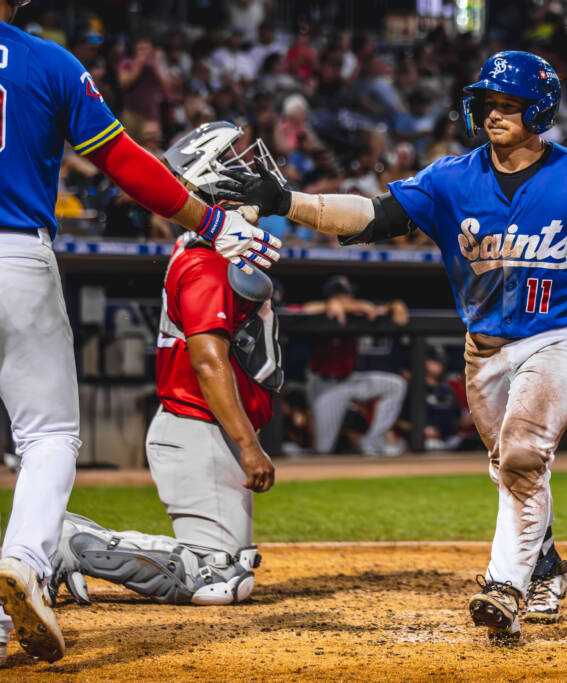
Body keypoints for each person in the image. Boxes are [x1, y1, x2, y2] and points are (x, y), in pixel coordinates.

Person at [217, 50, 567, 643]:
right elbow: (373, 215)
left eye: (508, 105)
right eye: (488, 103)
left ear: (540, 110)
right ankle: (546, 565)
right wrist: (288, 202)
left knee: (523, 455)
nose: (494, 114)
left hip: (558, 336)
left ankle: (504, 589)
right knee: (510, 467)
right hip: (483, 350)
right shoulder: (451, 178)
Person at [0, 1, 280, 664]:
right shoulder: (48, 62)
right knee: (48, 435)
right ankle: (26, 559)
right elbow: (123, 162)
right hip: (15, 254)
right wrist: (213, 221)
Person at [47, 231, 280, 609]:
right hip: (197, 426)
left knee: (231, 566)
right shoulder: (207, 265)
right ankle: (70, 541)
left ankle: (70, 538)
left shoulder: (205, 254)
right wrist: (249, 445)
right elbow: (207, 362)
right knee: (216, 576)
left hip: (205, 428)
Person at [303, 275, 409, 456]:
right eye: (345, 295)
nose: (351, 298)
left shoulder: (356, 313)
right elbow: (302, 310)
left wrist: (395, 305)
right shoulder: (322, 311)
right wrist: (330, 305)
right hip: (325, 386)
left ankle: (373, 440)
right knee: (323, 449)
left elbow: (379, 309)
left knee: (395, 385)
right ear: (334, 297)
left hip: (350, 380)